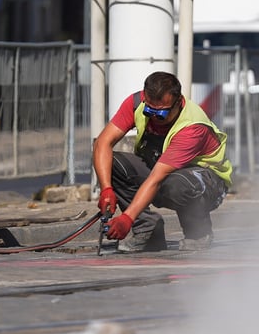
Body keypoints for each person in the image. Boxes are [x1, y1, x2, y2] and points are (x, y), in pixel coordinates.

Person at [93, 71, 232, 251]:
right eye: (150, 110)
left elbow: (156, 179)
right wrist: (106, 189)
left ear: (178, 102)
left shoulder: (192, 127)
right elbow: (102, 143)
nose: (155, 118)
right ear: (145, 98)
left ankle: (198, 233)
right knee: (113, 164)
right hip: (163, 171)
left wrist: (126, 218)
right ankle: (148, 229)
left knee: (178, 185)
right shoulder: (136, 103)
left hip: (206, 181)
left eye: (162, 113)